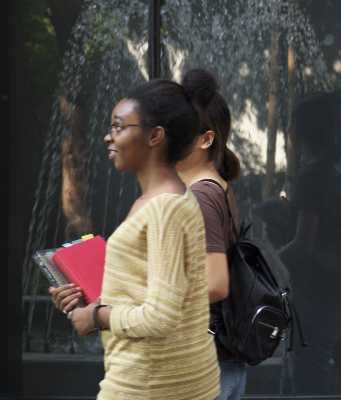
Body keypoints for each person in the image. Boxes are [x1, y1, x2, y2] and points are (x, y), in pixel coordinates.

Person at [47, 79, 220, 399]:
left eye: (118, 127)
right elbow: (155, 294)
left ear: (155, 136)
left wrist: (95, 317)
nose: (108, 137)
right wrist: (92, 300)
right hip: (171, 377)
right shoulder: (162, 201)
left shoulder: (165, 208)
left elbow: (160, 317)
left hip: (148, 383)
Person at [177, 68, 248, 400]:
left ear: (206, 139)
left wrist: (154, 296)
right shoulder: (218, 186)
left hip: (204, 363)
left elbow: (216, 283)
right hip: (218, 359)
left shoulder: (202, 196)